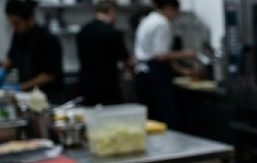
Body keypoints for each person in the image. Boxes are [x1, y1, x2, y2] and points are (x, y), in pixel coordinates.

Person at [133, 0, 194, 128]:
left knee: (151, 118)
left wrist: (181, 70)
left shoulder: (148, 19)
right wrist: (186, 53)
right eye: (176, 12)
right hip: (155, 73)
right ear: (168, 7)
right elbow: (160, 55)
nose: (176, 15)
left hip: (142, 72)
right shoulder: (162, 23)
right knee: (165, 115)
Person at [1, 0, 63, 99]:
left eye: (17, 23)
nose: (14, 27)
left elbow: (49, 74)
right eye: (12, 24)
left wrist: (21, 87)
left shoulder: (48, 39)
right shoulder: (18, 36)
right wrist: (2, 70)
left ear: (30, 19)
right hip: (27, 96)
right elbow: (12, 58)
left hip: (48, 96)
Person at [76, 0, 131, 106]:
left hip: (86, 84)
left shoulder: (83, 31)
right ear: (112, 11)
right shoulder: (114, 34)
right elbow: (125, 60)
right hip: (108, 85)